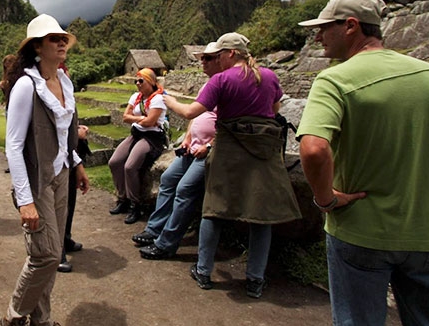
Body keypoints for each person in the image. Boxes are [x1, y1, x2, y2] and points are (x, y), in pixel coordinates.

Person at [296, 0, 429, 326]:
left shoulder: (336, 79)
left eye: (325, 29)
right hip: (427, 238)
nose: (319, 38)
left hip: (361, 235)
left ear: (351, 26)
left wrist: (326, 200)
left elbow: (314, 148)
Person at [163, 32, 300, 299]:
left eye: (219, 54)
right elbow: (274, 110)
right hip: (263, 152)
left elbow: (191, 112)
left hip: (229, 148)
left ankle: (204, 271)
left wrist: (170, 102)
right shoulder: (269, 76)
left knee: (214, 209)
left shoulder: (222, 80)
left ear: (230, 54)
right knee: (262, 216)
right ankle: (255, 279)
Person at [1, 14, 90, 326]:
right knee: (47, 254)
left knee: (49, 257)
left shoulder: (64, 82)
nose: (61, 43)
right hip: (37, 179)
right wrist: (25, 200)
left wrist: (78, 164)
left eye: (62, 37)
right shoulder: (26, 85)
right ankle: (13, 317)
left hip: (61, 174)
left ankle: (41, 324)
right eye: (53, 39)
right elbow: (13, 144)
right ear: (37, 47)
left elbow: (65, 132)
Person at [134, 43, 222, 260]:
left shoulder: (226, 86)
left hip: (208, 151)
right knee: (167, 179)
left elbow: (226, 124)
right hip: (192, 147)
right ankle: (154, 229)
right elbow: (197, 114)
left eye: (208, 58)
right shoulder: (208, 85)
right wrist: (189, 136)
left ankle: (166, 243)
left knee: (184, 190)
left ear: (221, 59)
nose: (203, 62)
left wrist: (208, 145)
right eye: (202, 58)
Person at [108, 68, 167, 224]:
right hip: (137, 133)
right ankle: (123, 199)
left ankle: (136, 204)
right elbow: (125, 117)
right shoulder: (136, 97)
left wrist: (136, 119)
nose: (137, 84)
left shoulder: (158, 99)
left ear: (152, 82)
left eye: (141, 81)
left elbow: (150, 123)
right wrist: (142, 118)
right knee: (115, 162)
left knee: (130, 166)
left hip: (152, 137)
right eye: (136, 81)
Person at [58, 123, 90, 273]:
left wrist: (78, 164)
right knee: (55, 209)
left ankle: (65, 239)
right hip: (45, 162)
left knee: (69, 201)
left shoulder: (67, 99)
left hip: (67, 157)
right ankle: (56, 250)